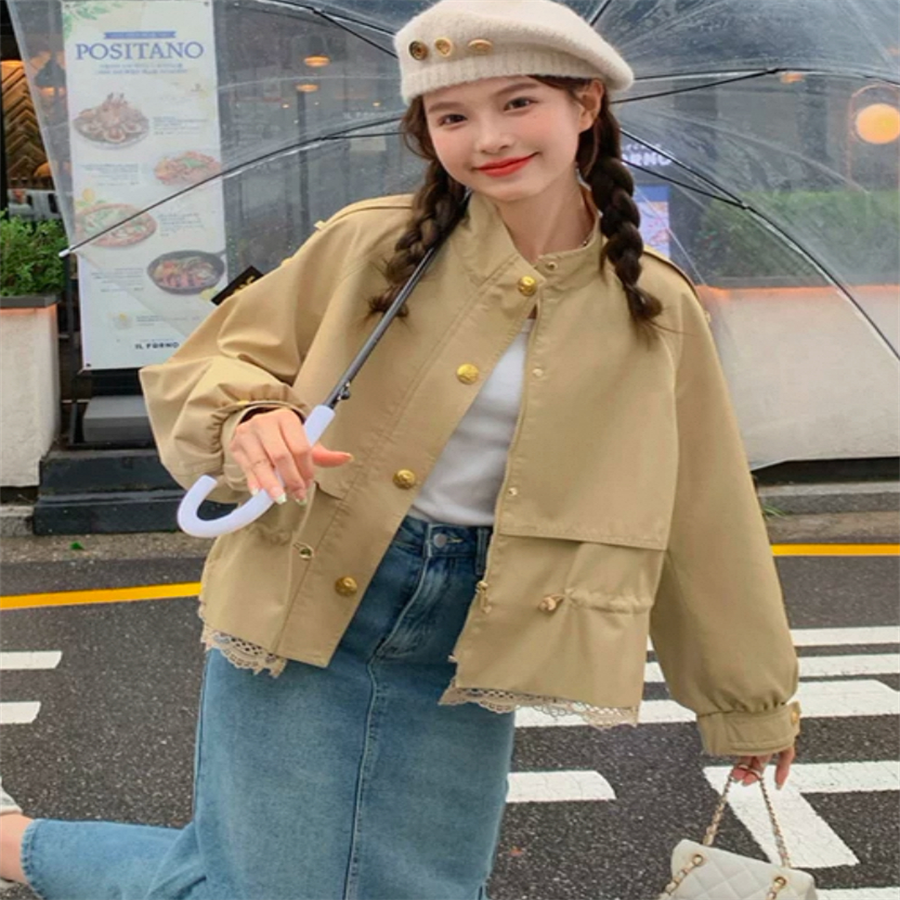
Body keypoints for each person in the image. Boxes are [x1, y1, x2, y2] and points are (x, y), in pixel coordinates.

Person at [0, 1, 801, 897]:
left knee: (419, 887)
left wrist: (748, 702)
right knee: (264, 889)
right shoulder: (376, 244)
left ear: (585, 104)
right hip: (316, 580)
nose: (488, 138)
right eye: (452, 116)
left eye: (519, 102)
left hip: (483, 621)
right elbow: (213, 363)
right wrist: (248, 418)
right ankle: (17, 847)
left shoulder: (653, 303)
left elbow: (703, 511)